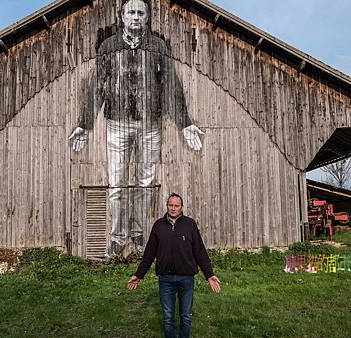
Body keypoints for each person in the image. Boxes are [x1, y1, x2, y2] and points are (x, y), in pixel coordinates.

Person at [69, 0, 205, 258]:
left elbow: (170, 87)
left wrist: (185, 122)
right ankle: (118, 239)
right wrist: (85, 125)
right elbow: (97, 86)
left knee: (145, 184)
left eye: (140, 13)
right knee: (117, 184)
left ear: (146, 18)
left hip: (150, 126)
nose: (135, 16)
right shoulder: (108, 47)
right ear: (122, 16)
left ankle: (139, 235)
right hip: (117, 125)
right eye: (130, 12)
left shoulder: (157, 47)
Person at [127, 193, 221, 338]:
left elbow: (200, 251)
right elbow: (149, 253)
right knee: (168, 317)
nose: (173, 208)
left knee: (186, 316)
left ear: (181, 207)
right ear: (167, 206)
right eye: (171, 205)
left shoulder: (189, 224)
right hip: (166, 279)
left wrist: (209, 275)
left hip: (186, 278)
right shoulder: (159, 225)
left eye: (176, 205)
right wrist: (139, 274)